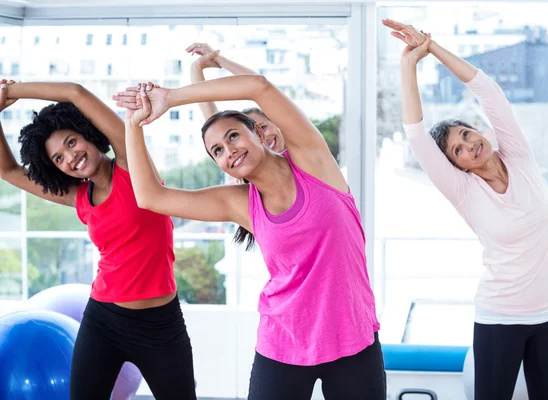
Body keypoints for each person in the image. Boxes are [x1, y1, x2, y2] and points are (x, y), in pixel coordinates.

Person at [113, 72, 384, 399]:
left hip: (353, 340)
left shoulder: (314, 162)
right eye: (218, 150)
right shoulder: (239, 204)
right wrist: (133, 124)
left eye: (233, 137)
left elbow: (259, 86)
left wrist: (171, 97)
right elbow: (150, 197)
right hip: (283, 343)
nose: (229, 150)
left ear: (259, 132)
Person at [382, 19, 548, 400]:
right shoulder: (464, 190)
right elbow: (417, 135)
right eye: (458, 150)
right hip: (499, 318)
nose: (470, 146)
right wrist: (409, 63)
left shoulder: (518, 154)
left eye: (468, 134)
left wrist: (432, 47)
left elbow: (487, 89)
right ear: (457, 167)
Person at [0, 79, 196, 400]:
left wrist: (11, 91)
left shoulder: (132, 166)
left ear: (87, 132)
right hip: (103, 320)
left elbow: (74, 92)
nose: (69, 157)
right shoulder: (78, 196)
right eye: (58, 159)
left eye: (71, 142)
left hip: (160, 324)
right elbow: (8, 171)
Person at [186, 42, 285, 153]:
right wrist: (196, 67)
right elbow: (210, 115)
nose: (263, 137)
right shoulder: (247, 165)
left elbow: (264, 88)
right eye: (255, 134)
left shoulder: (301, 141)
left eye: (263, 128)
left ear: (275, 121)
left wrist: (217, 58)